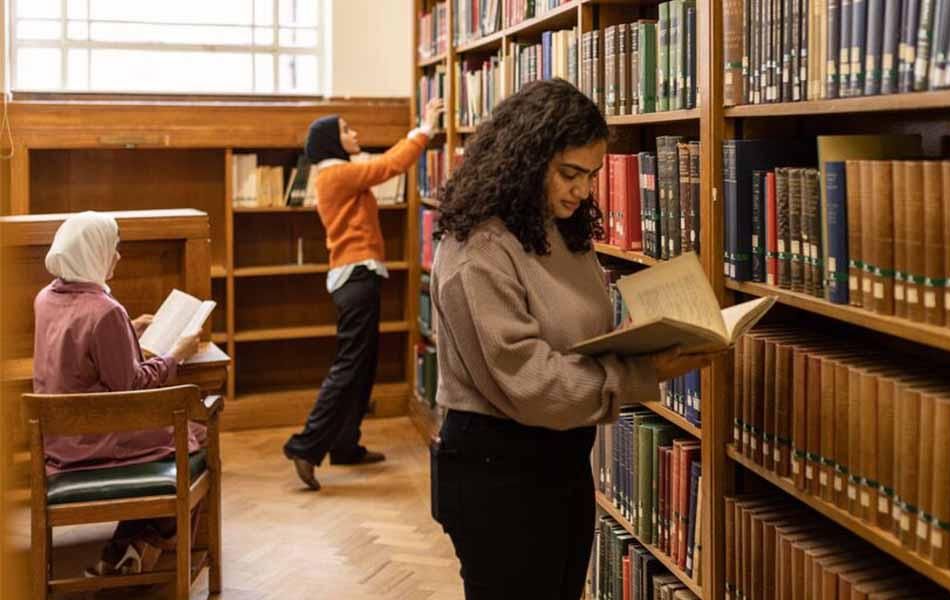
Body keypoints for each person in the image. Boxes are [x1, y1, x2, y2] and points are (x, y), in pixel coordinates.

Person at [428, 79, 718, 600]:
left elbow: (573, 333)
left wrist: (637, 340)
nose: (583, 191)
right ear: (524, 160)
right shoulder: (479, 250)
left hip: (561, 459)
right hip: (498, 472)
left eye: (591, 175)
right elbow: (531, 382)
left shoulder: (554, 228)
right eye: (569, 174)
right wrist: (640, 373)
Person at [283, 98, 445, 490]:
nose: (354, 134)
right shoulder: (335, 174)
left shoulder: (339, 172)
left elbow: (377, 161)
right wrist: (423, 129)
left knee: (363, 363)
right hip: (355, 277)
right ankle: (306, 446)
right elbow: (387, 166)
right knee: (350, 365)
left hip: (358, 276)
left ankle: (345, 444)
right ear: (330, 143)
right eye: (346, 130)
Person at [32, 211, 203, 576]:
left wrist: (130, 329)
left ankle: (128, 547)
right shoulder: (105, 311)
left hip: (58, 439)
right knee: (196, 433)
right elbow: (133, 386)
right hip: (94, 443)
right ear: (93, 252)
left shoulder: (47, 297)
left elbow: (82, 356)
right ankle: (151, 542)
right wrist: (177, 355)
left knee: (182, 434)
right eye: (113, 249)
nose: (118, 257)